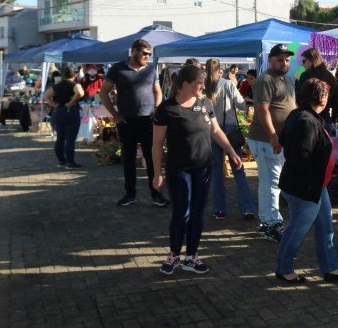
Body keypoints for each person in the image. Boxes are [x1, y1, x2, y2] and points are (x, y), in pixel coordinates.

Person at [152, 64, 242, 275]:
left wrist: (231, 151)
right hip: (178, 169)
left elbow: (216, 131)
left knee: (197, 213)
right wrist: (157, 173)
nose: (203, 86)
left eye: (203, 82)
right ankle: (174, 254)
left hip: (203, 168)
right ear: (185, 84)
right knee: (182, 212)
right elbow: (156, 144)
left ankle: (191, 256)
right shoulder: (166, 108)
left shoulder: (205, 103)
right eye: (199, 83)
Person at [275, 78, 338, 283]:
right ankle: (284, 269)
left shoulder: (304, 116)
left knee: (325, 226)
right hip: (306, 187)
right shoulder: (306, 120)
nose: (328, 98)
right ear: (320, 97)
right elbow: (300, 157)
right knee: (297, 229)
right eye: (326, 94)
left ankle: (330, 267)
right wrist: (311, 184)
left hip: (316, 185)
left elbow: (284, 140)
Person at [98, 39, 169, 208]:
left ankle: (156, 195)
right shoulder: (117, 68)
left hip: (148, 121)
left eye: (149, 54)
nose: (147, 57)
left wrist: (156, 110)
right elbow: (103, 92)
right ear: (134, 51)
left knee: (152, 159)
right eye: (144, 53)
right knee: (128, 159)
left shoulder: (151, 69)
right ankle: (130, 194)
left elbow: (157, 91)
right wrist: (115, 115)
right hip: (126, 121)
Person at [248, 43, 297, 242]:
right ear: (270, 60)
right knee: (271, 183)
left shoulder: (288, 79)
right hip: (266, 139)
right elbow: (262, 109)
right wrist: (273, 135)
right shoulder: (265, 80)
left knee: (274, 182)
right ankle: (271, 224)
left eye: (287, 59)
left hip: (279, 140)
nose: (284, 63)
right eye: (280, 60)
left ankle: (269, 221)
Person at [205, 59, 255, 220]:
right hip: (230, 130)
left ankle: (220, 209)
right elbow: (240, 105)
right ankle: (247, 208)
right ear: (220, 70)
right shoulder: (227, 84)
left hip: (212, 132)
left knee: (217, 172)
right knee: (238, 170)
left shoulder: (205, 87)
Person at [43, 67, 85, 169]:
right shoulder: (75, 84)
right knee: (70, 139)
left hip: (59, 112)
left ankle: (61, 161)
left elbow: (45, 96)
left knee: (60, 138)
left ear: (63, 76)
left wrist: (55, 105)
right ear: (74, 75)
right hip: (71, 112)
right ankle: (70, 162)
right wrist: (71, 102)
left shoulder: (58, 85)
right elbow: (80, 93)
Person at [296, 48, 337, 129]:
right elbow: (335, 101)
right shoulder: (330, 77)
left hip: (308, 120)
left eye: (304, 61)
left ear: (312, 60)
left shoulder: (305, 75)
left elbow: (299, 98)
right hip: (326, 119)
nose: (302, 64)